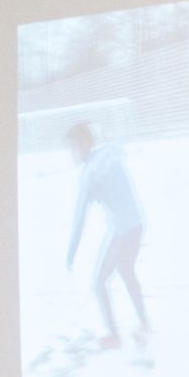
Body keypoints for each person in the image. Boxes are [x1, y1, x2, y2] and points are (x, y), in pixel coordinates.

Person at [64, 121, 148, 350]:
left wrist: (71, 253)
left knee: (99, 282)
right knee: (126, 271)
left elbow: (79, 219)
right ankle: (143, 321)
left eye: (73, 147)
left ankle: (113, 335)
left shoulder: (89, 176)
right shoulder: (110, 154)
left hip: (120, 230)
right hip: (137, 223)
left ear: (83, 143)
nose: (71, 153)